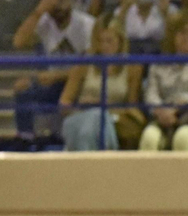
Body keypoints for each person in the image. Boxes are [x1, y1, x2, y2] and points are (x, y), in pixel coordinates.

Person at [11, 0, 97, 144]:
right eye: (53, 3)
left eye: (62, 0)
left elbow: (89, 66)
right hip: (54, 84)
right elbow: (19, 41)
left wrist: (54, 76)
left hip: (81, 84)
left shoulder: (87, 24)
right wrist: (39, 11)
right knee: (23, 90)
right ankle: (25, 140)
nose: (58, 6)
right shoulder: (45, 22)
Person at [58, 21, 144, 151]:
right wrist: (83, 106)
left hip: (114, 118)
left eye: (109, 41)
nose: (104, 46)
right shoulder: (84, 64)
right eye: (100, 41)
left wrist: (106, 108)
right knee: (93, 120)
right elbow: (64, 103)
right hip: (82, 116)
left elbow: (132, 106)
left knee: (99, 118)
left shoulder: (132, 67)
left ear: (120, 42)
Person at [141, 12, 188, 152]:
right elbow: (151, 94)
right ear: (172, 36)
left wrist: (174, 110)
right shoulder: (158, 64)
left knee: (183, 137)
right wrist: (161, 112)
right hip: (162, 120)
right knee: (149, 137)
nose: (187, 37)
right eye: (181, 32)